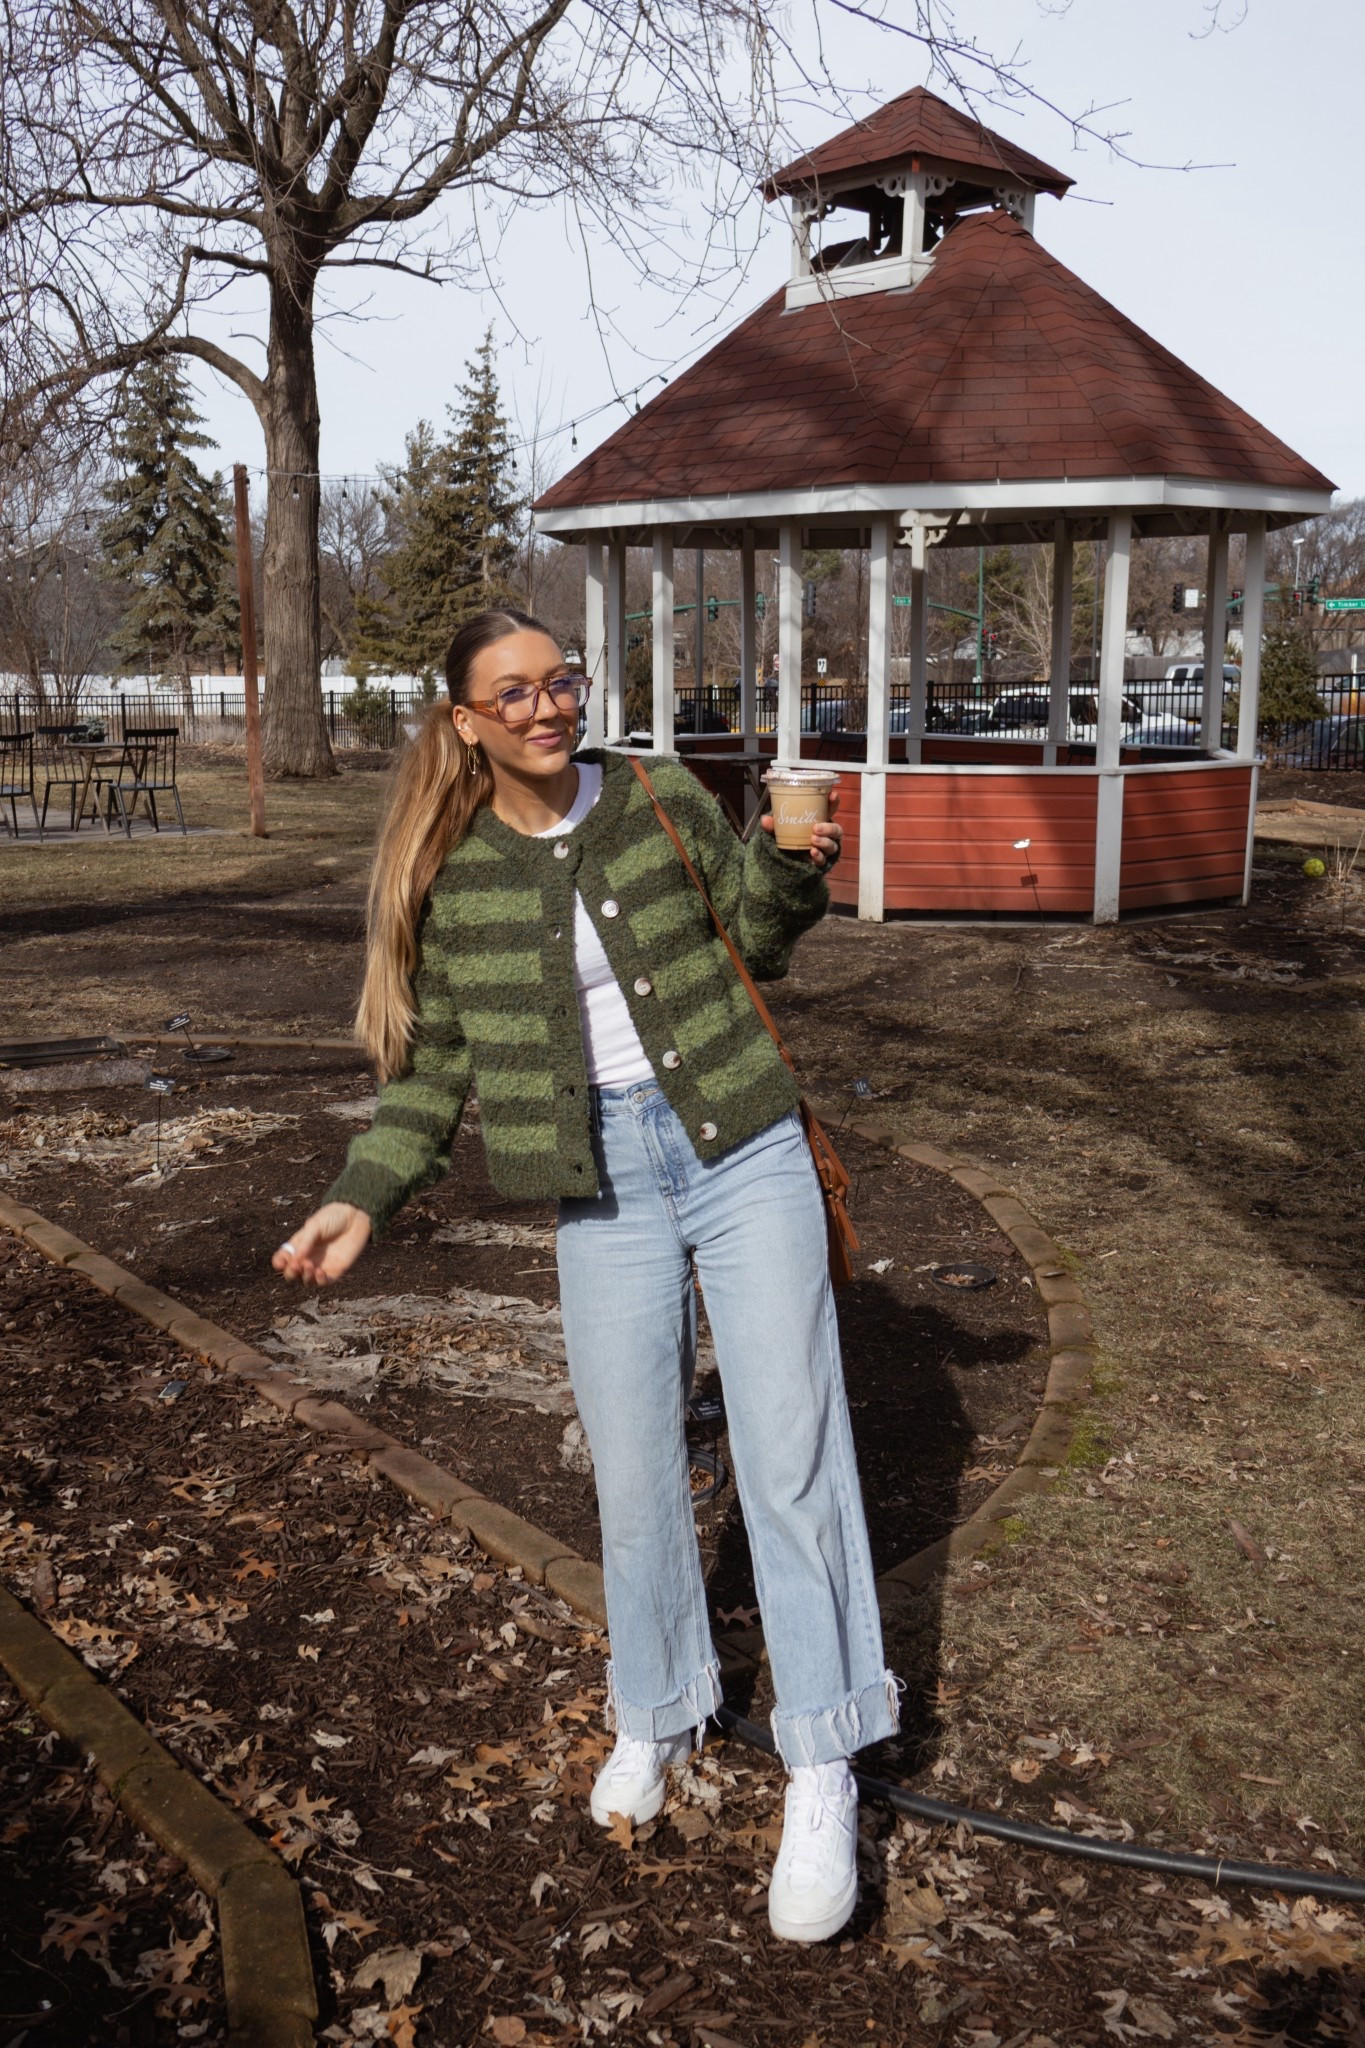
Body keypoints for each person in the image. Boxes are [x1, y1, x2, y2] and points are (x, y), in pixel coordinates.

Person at [274, 608, 900, 1943]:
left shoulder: (659, 793)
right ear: (464, 723)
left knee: (790, 1455)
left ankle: (823, 1756)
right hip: (596, 1178)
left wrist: (797, 866)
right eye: (513, 695)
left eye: (560, 683)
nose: (547, 709)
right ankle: (658, 1712)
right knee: (629, 1468)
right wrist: (357, 1199)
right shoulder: (458, 875)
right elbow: (434, 1068)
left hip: (740, 1147)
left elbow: (758, 930)